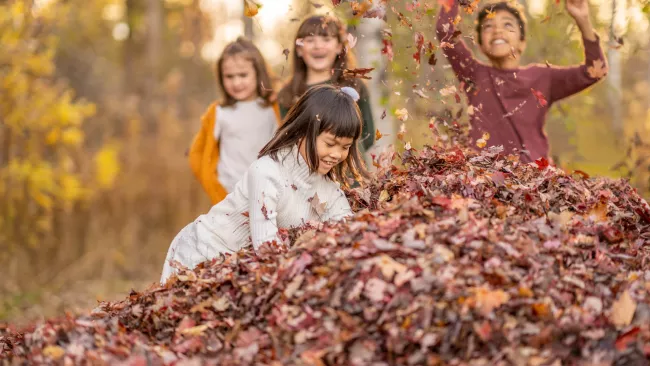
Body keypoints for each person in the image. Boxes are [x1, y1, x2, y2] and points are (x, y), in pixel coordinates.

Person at [161, 85, 367, 283]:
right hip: (201, 252)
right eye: (330, 144)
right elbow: (266, 249)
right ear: (303, 132)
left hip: (238, 269)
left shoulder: (329, 189)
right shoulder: (267, 172)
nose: (337, 154)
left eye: (345, 147)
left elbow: (349, 234)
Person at [436, 0, 607, 162]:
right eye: (488, 26)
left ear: (522, 42)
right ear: (480, 44)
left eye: (508, 25)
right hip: (484, 182)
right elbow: (445, 32)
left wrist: (583, 20)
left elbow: (594, 72)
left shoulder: (542, 77)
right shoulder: (474, 74)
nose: (497, 30)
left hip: (534, 181)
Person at [189, 37, 282, 205]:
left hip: (267, 196)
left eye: (243, 75)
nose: (236, 82)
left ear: (258, 73)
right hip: (229, 198)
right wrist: (215, 189)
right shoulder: (219, 112)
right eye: (229, 76)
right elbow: (196, 154)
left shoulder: (273, 108)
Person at [278, 15, 375, 154]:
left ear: (339, 47)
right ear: (299, 49)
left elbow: (368, 134)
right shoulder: (288, 94)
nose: (318, 45)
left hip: (347, 170)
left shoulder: (354, 86)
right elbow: (286, 139)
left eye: (326, 39)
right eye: (310, 40)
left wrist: (341, 153)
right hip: (304, 171)